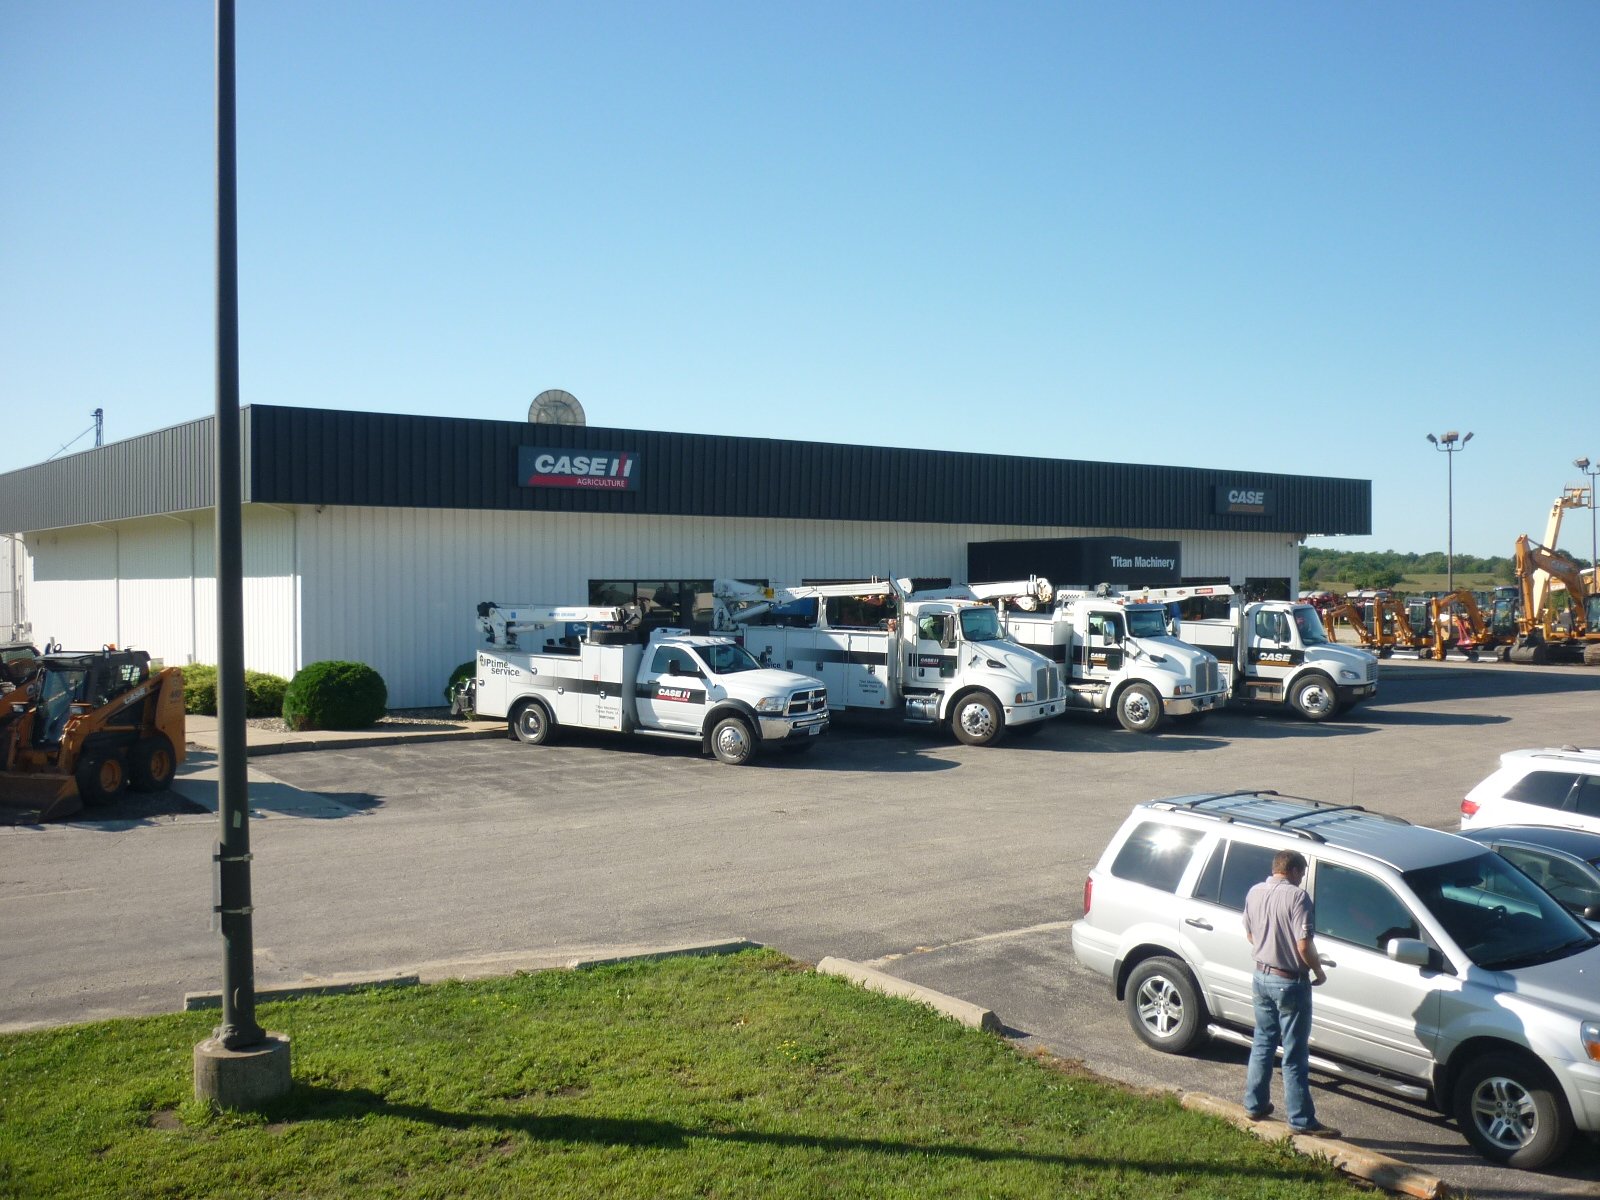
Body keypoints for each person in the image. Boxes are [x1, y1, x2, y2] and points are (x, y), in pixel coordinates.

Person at [1241, 849, 1341, 1138]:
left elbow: (1250, 934)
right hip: (1289, 981)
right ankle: (1300, 1119)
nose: (1303, 878)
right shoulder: (1298, 898)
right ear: (1295, 870)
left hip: (1260, 975)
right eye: (1303, 872)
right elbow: (1302, 944)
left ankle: (1255, 1104)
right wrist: (1318, 970)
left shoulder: (1254, 892)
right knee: (1295, 1054)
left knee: (1262, 1042)